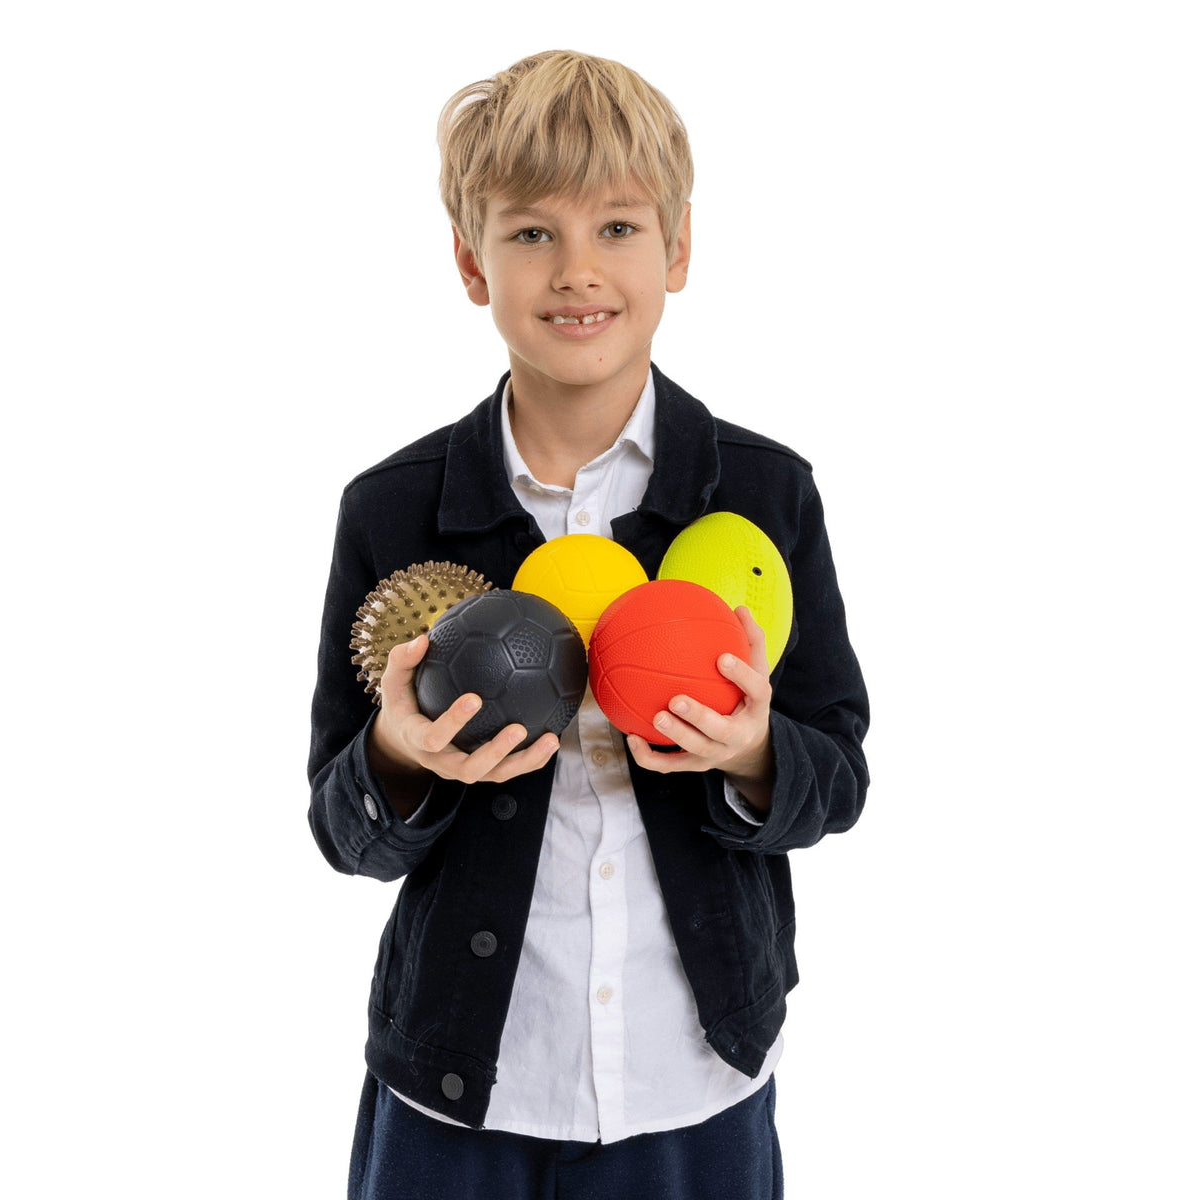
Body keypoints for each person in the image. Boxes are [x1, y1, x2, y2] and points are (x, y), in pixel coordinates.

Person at [308, 49, 870, 1200]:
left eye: (617, 228)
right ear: (471, 261)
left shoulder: (762, 496)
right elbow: (340, 823)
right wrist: (399, 763)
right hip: (457, 1094)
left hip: (694, 1087)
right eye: (529, 234)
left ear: (678, 248)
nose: (577, 272)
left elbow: (839, 772)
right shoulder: (394, 510)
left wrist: (754, 754)